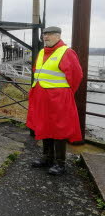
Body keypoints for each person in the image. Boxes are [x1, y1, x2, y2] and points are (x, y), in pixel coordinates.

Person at [27, 26, 83, 176]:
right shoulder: (41, 52)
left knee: (59, 129)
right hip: (42, 98)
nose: (46, 37)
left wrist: (65, 93)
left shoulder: (67, 52)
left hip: (58, 99)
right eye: (44, 34)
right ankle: (47, 158)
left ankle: (60, 163)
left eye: (50, 35)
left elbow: (77, 76)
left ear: (58, 36)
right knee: (44, 126)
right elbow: (37, 72)